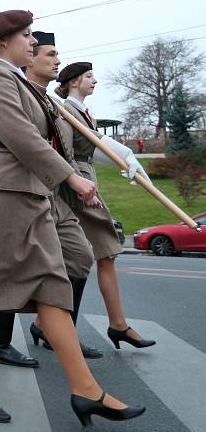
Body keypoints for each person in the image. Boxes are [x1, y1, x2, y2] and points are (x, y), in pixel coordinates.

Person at [0, 10, 144, 426]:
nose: (32, 44)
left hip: (33, 194)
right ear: (4, 42)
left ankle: (86, 390)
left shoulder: (24, 82)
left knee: (54, 287)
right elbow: (19, 136)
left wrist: (121, 155)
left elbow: (61, 130)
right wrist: (70, 177)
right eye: (26, 37)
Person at [0, 32, 101, 367]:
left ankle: (54, 331)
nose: (57, 61)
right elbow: (23, 142)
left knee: (79, 257)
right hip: (22, 189)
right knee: (15, 265)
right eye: (50, 54)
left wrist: (86, 181)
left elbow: (73, 148)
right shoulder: (13, 91)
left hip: (55, 194)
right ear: (29, 58)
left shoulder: (53, 103)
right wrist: (72, 178)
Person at [41, 61, 156, 350]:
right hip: (78, 190)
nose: (95, 80)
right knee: (92, 255)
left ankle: (115, 324)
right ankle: (58, 327)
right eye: (89, 76)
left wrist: (128, 157)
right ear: (74, 81)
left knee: (103, 255)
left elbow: (95, 146)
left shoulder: (81, 113)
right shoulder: (66, 111)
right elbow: (71, 151)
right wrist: (123, 155)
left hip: (85, 183)